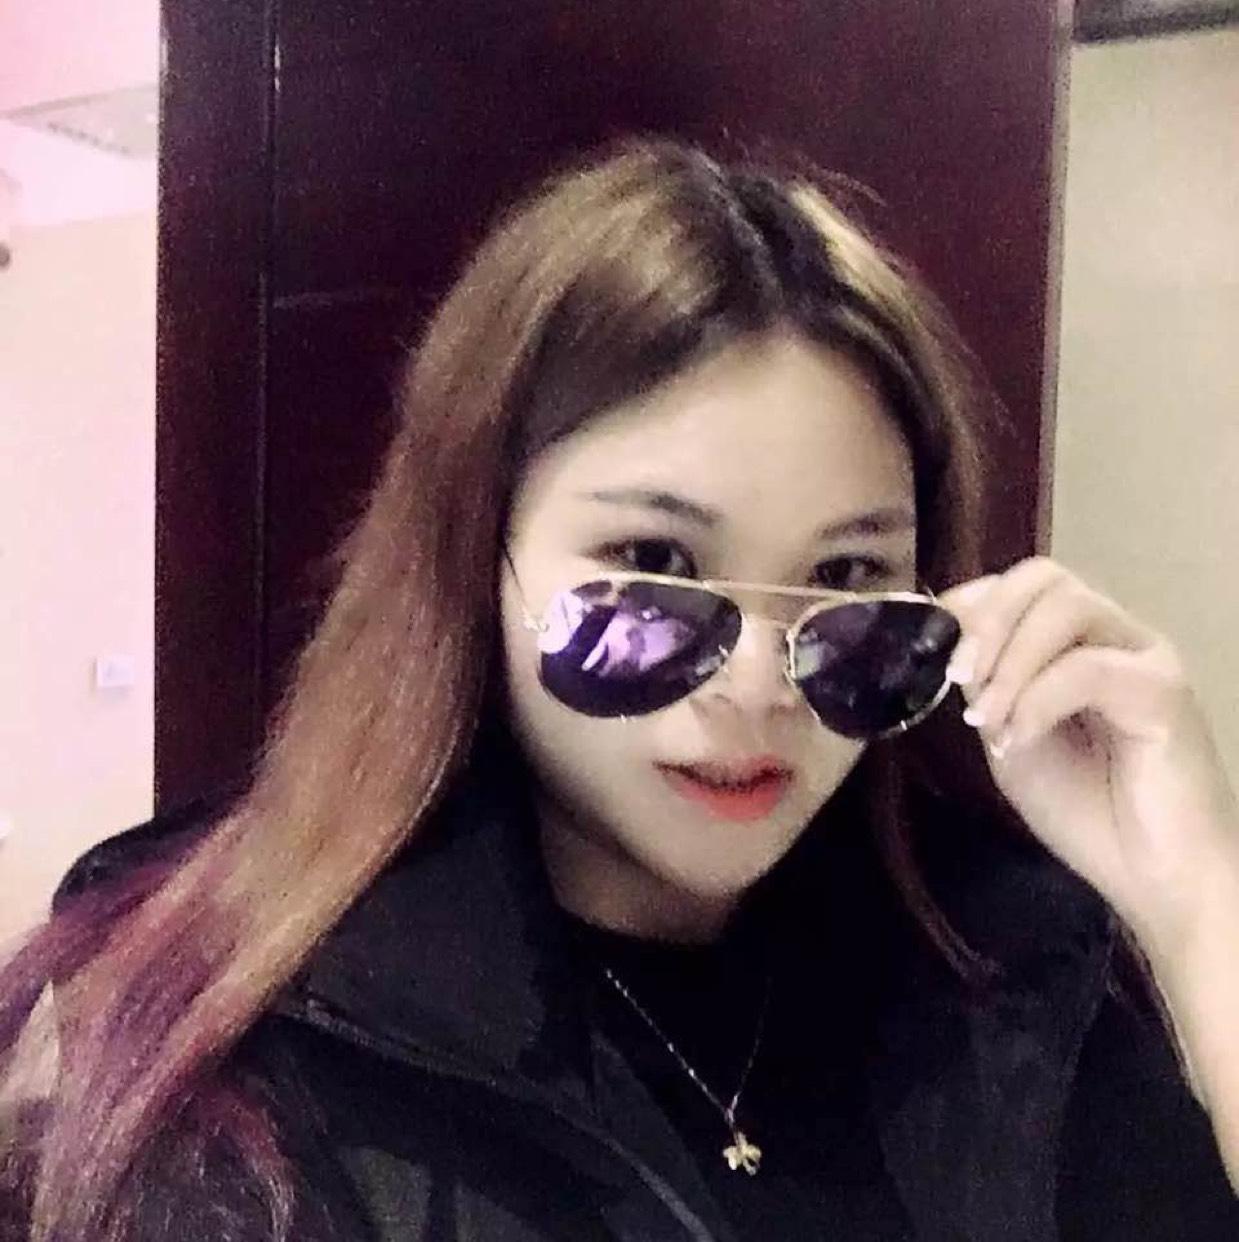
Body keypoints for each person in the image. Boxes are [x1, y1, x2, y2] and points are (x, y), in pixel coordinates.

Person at [2, 136, 1238, 1242]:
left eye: (846, 576)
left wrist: (1195, 901)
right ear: (475, 558)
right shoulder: (263, 1068)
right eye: (655, 565)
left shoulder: (1004, 981)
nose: (757, 687)